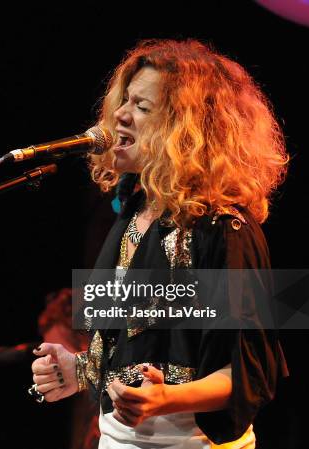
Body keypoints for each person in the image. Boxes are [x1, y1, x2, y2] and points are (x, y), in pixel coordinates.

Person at [30, 39, 289, 448]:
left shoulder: (225, 230)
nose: (120, 115)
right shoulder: (133, 210)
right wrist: (79, 370)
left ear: (189, 132)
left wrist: (166, 398)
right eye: (125, 101)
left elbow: (250, 374)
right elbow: (142, 341)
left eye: (143, 107)